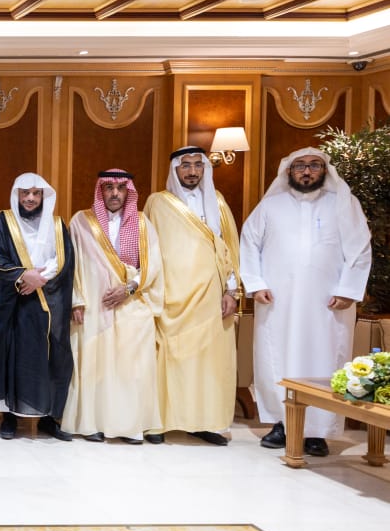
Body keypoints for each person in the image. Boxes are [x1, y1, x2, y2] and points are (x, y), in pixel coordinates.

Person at [240, 147, 372, 457]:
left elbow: (360, 249)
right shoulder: (270, 206)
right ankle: (280, 423)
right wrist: (256, 284)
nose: (307, 171)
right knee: (275, 358)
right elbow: (249, 243)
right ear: (289, 171)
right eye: (300, 166)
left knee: (324, 360)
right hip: (278, 301)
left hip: (328, 303)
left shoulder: (343, 204)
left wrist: (348, 289)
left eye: (314, 165)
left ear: (325, 171)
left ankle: (318, 431)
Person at [142, 146, 242, 445]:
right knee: (167, 357)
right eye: (185, 165)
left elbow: (229, 247)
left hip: (210, 296)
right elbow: (147, 248)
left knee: (207, 362)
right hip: (170, 295)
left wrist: (231, 289)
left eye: (198, 165)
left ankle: (204, 422)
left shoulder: (218, 202)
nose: (192, 171)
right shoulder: (158, 202)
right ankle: (159, 422)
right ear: (175, 169)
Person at [62, 170, 163, 443]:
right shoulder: (82, 221)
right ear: (101, 191)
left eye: (120, 188)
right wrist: (76, 300)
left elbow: (153, 264)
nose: (115, 193)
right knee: (95, 366)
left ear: (129, 191)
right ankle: (92, 423)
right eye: (109, 188)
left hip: (132, 304)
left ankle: (129, 426)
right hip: (94, 306)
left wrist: (128, 288)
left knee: (130, 368)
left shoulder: (142, 223)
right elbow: (73, 265)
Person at [0, 173, 76, 441]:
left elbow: (65, 258)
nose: (31, 198)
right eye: (25, 193)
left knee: (50, 359)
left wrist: (40, 279)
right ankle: (9, 417)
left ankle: (48, 417)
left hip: (48, 303)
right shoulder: (1, 223)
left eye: (36, 193)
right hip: (14, 304)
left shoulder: (57, 225)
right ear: (17, 195)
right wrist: (24, 275)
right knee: (14, 359)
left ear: (44, 196)